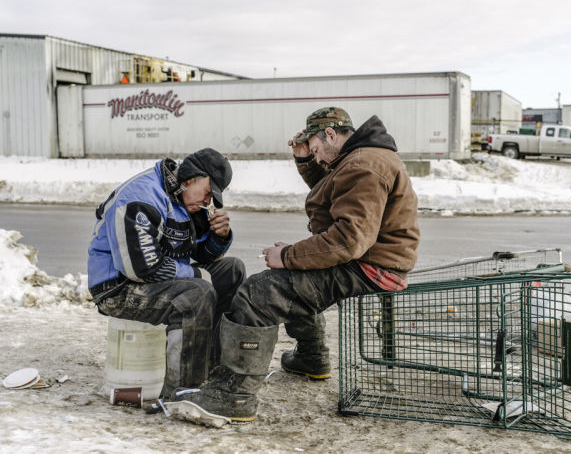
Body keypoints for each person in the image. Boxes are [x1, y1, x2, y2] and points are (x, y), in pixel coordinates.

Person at [174, 107, 420, 422]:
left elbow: (349, 240)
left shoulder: (365, 165)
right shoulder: (359, 158)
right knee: (292, 273)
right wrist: (305, 161)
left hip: (368, 266)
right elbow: (334, 191)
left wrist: (289, 254)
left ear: (331, 134)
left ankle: (233, 396)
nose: (317, 158)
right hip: (370, 260)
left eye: (316, 150)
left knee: (257, 294)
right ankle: (311, 357)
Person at [87, 148, 245, 399]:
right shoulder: (141, 196)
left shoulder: (185, 200)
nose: (208, 202)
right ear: (191, 178)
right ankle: (184, 392)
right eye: (207, 193)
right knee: (196, 294)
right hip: (118, 288)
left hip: (154, 279)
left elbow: (202, 255)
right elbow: (141, 268)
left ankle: (213, 366)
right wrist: (194, 274)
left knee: (231, 269)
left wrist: (220, 236)